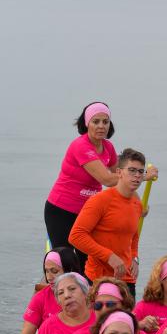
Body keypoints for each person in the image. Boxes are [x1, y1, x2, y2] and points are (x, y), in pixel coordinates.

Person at [44, 102, 120, 273]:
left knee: (87, 259)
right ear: (86, 123)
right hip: (61, 210)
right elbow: (107, 179)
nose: (101, 126)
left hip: (88, 212)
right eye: (96, 121)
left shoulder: (108, 147)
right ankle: (57, 293)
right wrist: (141, 176)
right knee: (64, 259)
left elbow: (121, 177)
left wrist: (136, 204)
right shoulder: (80, 145)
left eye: (105, 122)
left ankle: (86, 297)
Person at [69, 149, 149, 298]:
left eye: (140, 171)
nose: (137, 175)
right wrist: (109, 256)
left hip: (126, 279)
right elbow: (75, 236)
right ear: (119, 172)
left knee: (126, 320)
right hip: (98, 279)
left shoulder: (137, 204)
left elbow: (134, 237)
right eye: (132, 170)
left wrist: (135, 258)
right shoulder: (99, 200)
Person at [8, 247, 81, 334]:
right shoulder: (41, 298)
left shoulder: (88, 296)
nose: (49, 277)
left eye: (54, 271)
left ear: (70, 271)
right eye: (46, 271)